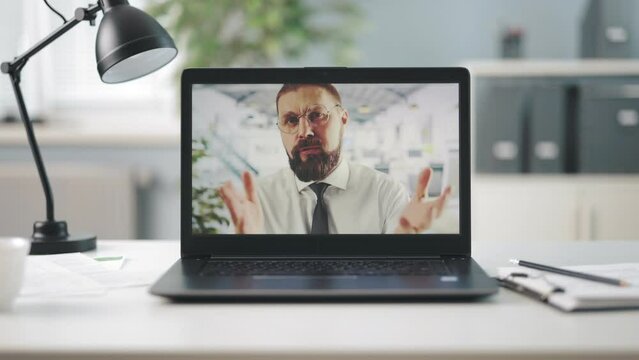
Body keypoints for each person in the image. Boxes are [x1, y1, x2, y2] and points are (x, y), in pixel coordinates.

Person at [219, 83, 452, 234]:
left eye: (317, 115)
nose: (304, 131)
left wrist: (408, 239)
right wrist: (241, 252)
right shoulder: (259, 199)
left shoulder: (386, 193)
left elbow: (399, 277)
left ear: (343, 119)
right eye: (290, 120)